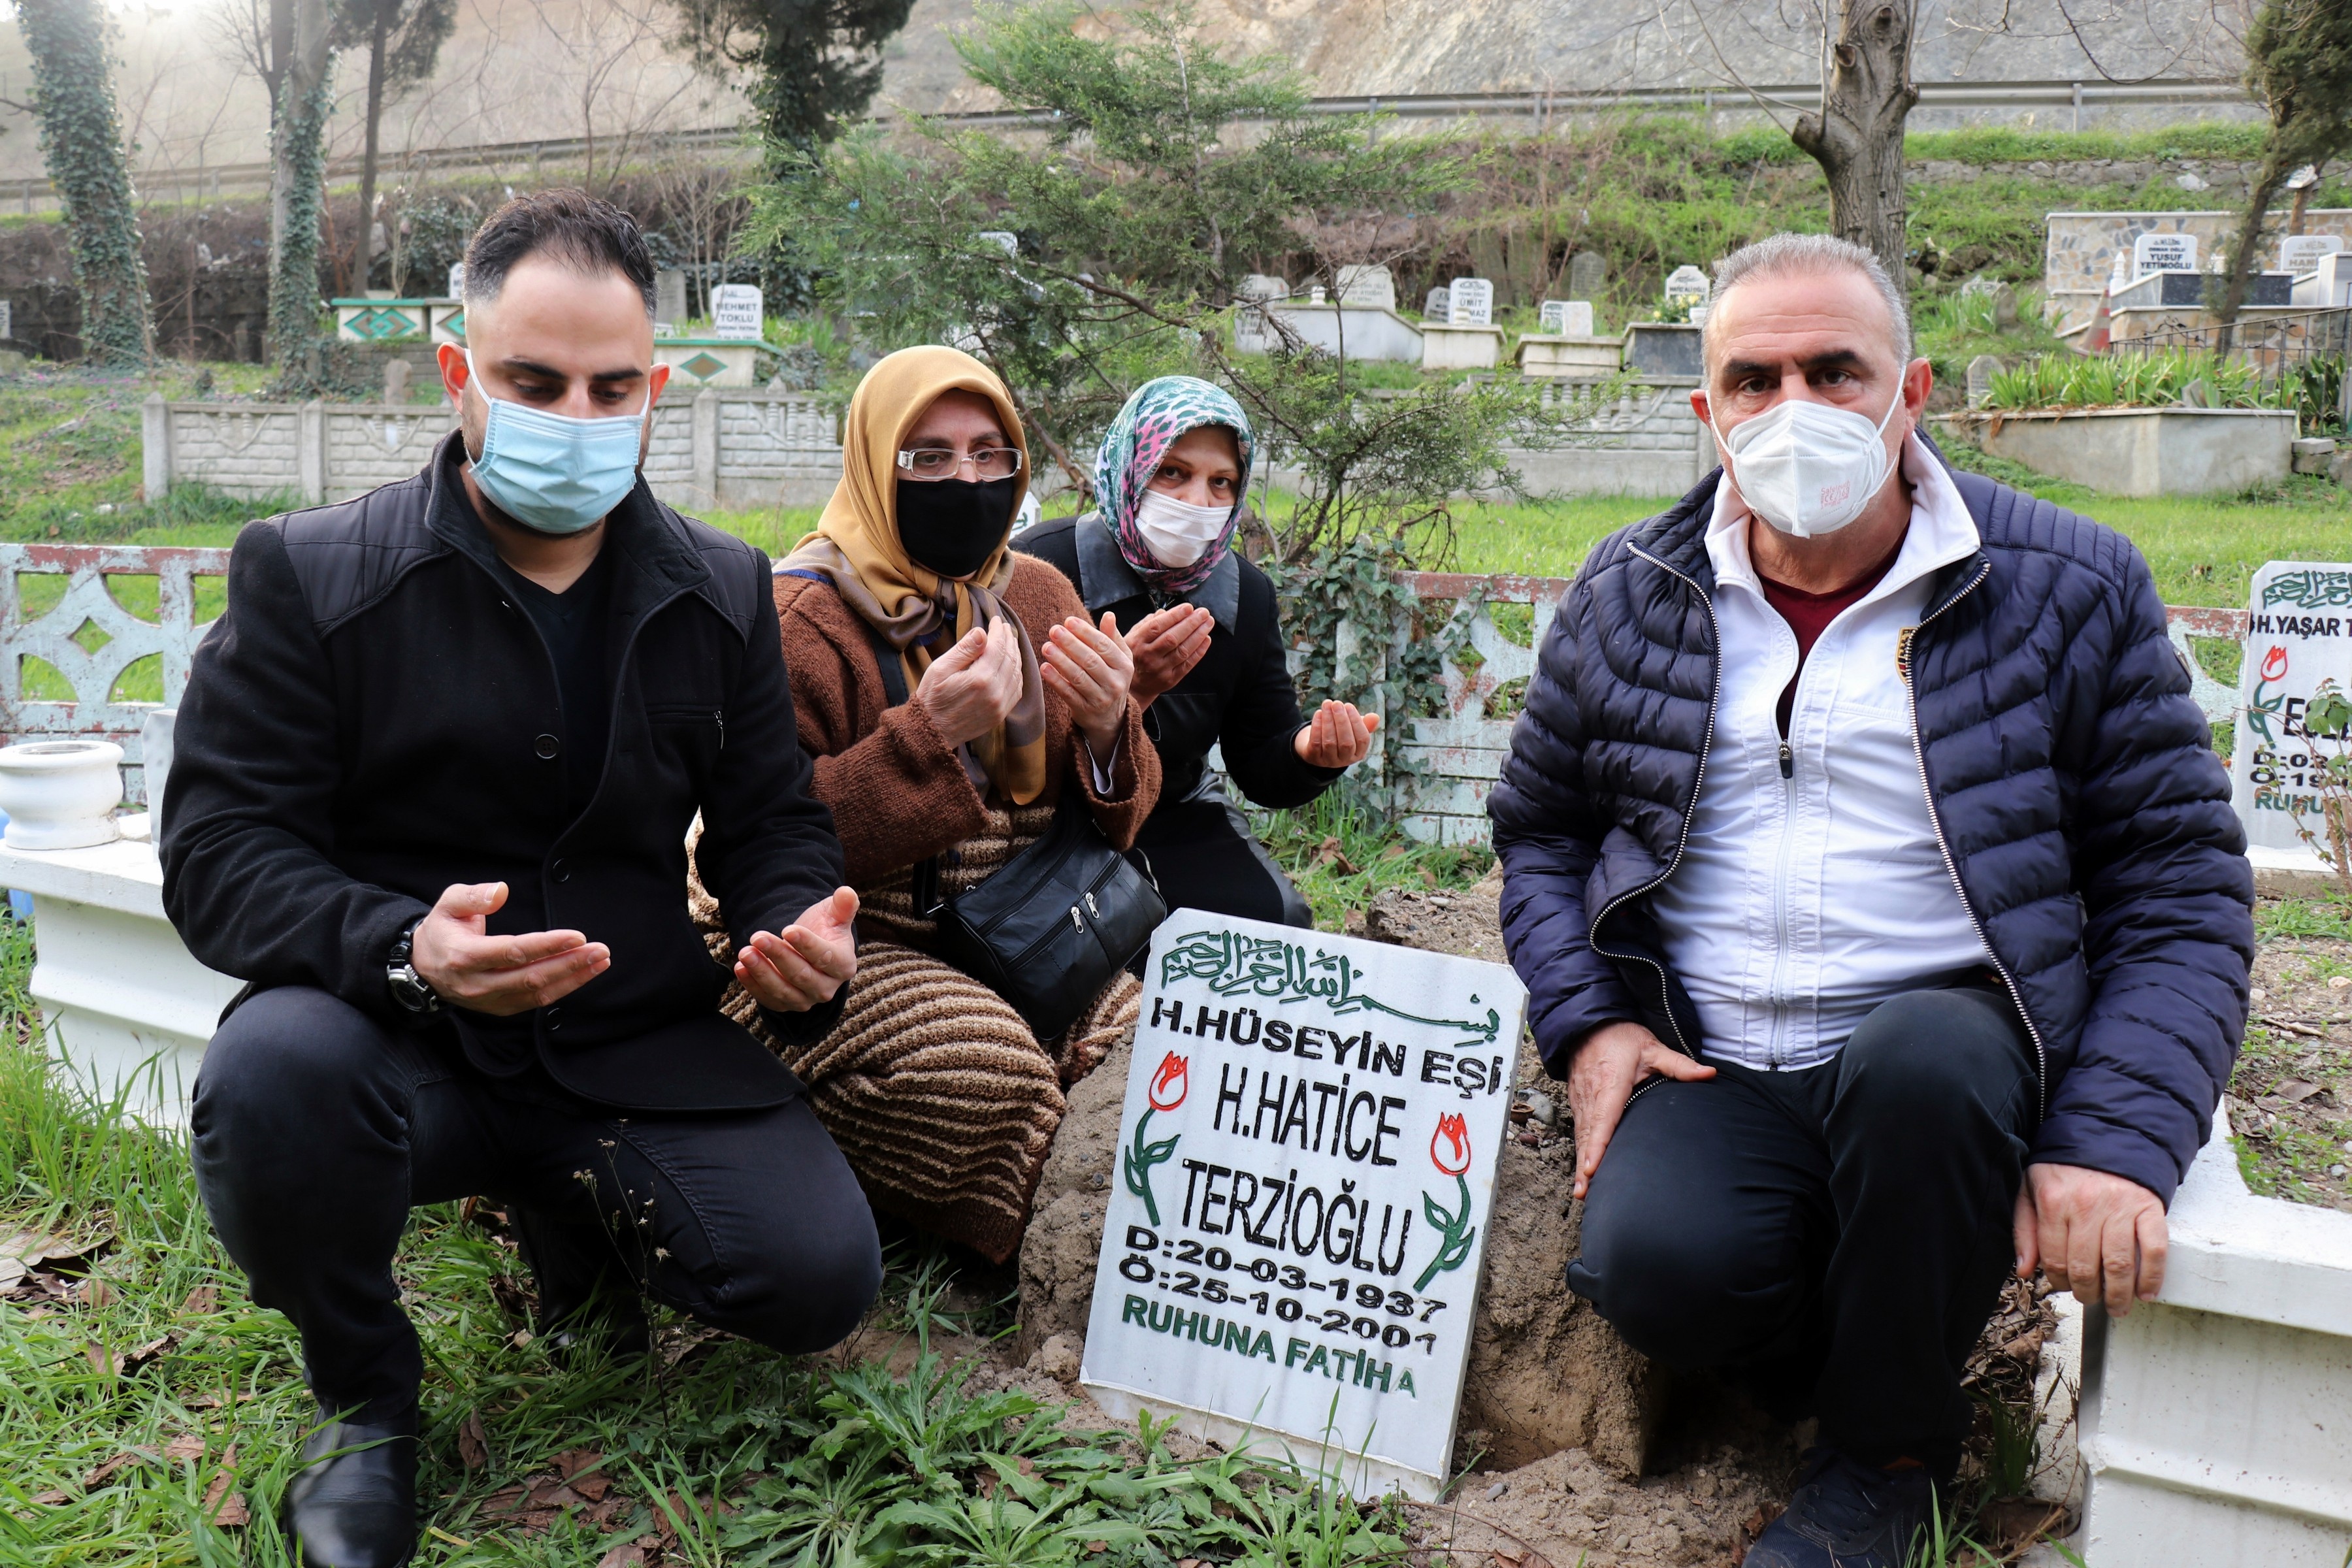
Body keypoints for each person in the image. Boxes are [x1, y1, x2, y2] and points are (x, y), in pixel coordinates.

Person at [1487, 233, 2251, 1568]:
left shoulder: (2065, 586)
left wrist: (2115, 1142)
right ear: (1709, 411)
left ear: (1913, 390)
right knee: (1654, 1272)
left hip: (1944, 1054)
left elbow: (2176, 882)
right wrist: (1592, 1021)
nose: (1795, 410)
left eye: (1835, 372)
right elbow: (1543, 829)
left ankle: (1888, 1459)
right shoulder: (1631, 592)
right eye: (1755, 380)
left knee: (1922, 1066)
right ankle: (1867, 1327)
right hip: (1717, 1054)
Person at [159, 191, 882, 1568]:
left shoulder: (725, 589)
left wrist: (799, 925)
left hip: (629, 1044)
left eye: (613, 388)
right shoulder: (313, 576)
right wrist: (402, 946)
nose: (577, 415)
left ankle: (574, 1230)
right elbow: (218, 855)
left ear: (656, 389)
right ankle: (363, 1404)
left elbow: (771, 824)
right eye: (535, 383)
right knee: (271, 1079)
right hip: (397, 1048)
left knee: (814, 1280)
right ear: (459, 372)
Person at [720, 344, 1158, 1265]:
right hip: (852, 946)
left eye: (991, 454)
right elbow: (761, 842)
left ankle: (1111, 1233)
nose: (967, 480)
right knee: (992, 1079)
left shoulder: (1036, 592)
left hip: (1024, 933)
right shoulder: (798, 620)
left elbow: (1117, 817)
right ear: (876, 463)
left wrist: (1112, 724)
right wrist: (926, 735)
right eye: (929, 457)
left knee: (1156, 1057)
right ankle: (1058, 1260)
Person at [1016, 376, 1377, 927]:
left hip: (1175, 813)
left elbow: (1258, 760)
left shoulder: (1246, 595)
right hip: (1046, 822)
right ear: (1132, 465)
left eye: (1221, 482)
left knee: (1274, 924)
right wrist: (1125, 693)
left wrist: (1309, 753)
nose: (1196, 502)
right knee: (1078, 946)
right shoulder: (1040, 567)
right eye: (1173, 472)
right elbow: (1003, 754)